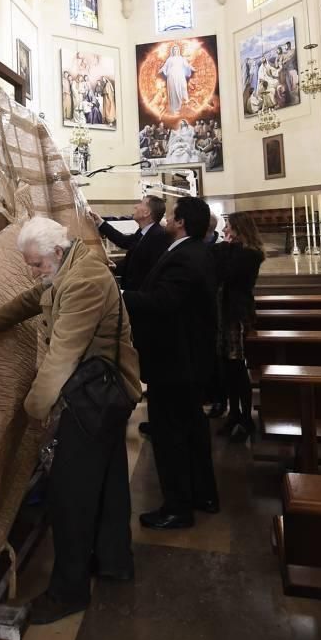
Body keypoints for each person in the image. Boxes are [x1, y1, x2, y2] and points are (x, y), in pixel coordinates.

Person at [0, 217, 141, 624]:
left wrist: (32, 411)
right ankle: (114, 561)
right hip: (107, 394)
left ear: (57, 253)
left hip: (95, 398)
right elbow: (35, 297)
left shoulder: (83, 281)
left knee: (69, 496)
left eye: (38, 263)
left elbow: (62, 356)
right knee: (109, 483)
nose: (35, 271)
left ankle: (68, 592)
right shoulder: (70, 266)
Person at [123, 196, 219, 530]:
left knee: (170, 435)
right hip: (185, 359)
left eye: (172, 213)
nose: (167, 216)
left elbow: (163, 302)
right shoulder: (191, 250)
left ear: (179, 222)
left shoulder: (186, 255)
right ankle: (203, 494)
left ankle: (177, 507)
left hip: (176, 361)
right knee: (192, 428)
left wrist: (118, 296)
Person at [210, 214, 265, 438]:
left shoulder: (250, 253)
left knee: (237, 366)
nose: (225, 232)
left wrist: (225, 247)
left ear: (239, 230)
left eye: (229, 228)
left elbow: (227, 273)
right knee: (226, 366)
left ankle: (245, 418)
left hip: (238, 314)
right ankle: (233, 413)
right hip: (224, 313)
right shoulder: (233, 250)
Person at [89, 195, 169, 292]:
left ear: (146, 213)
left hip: (140, 297)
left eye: (140, 204)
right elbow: (124, 242)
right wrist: (101, 223)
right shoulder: (143, 232)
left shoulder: (158, 236)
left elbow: (146, 271)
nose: (135, 206)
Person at [159, 44, 193, 115]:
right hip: (171, 76)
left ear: (178, 50)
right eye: (174, 50)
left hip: (180, 75)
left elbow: (187, 65)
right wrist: (161, 70)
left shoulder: (181, 58)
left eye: (177, 49)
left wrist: (192, 68)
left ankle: (183, 104)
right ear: (172, 51)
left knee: (183, 87)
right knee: (173, 90)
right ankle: (174, 108)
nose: (175, 51)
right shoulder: (170, 59)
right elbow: (165, 66)